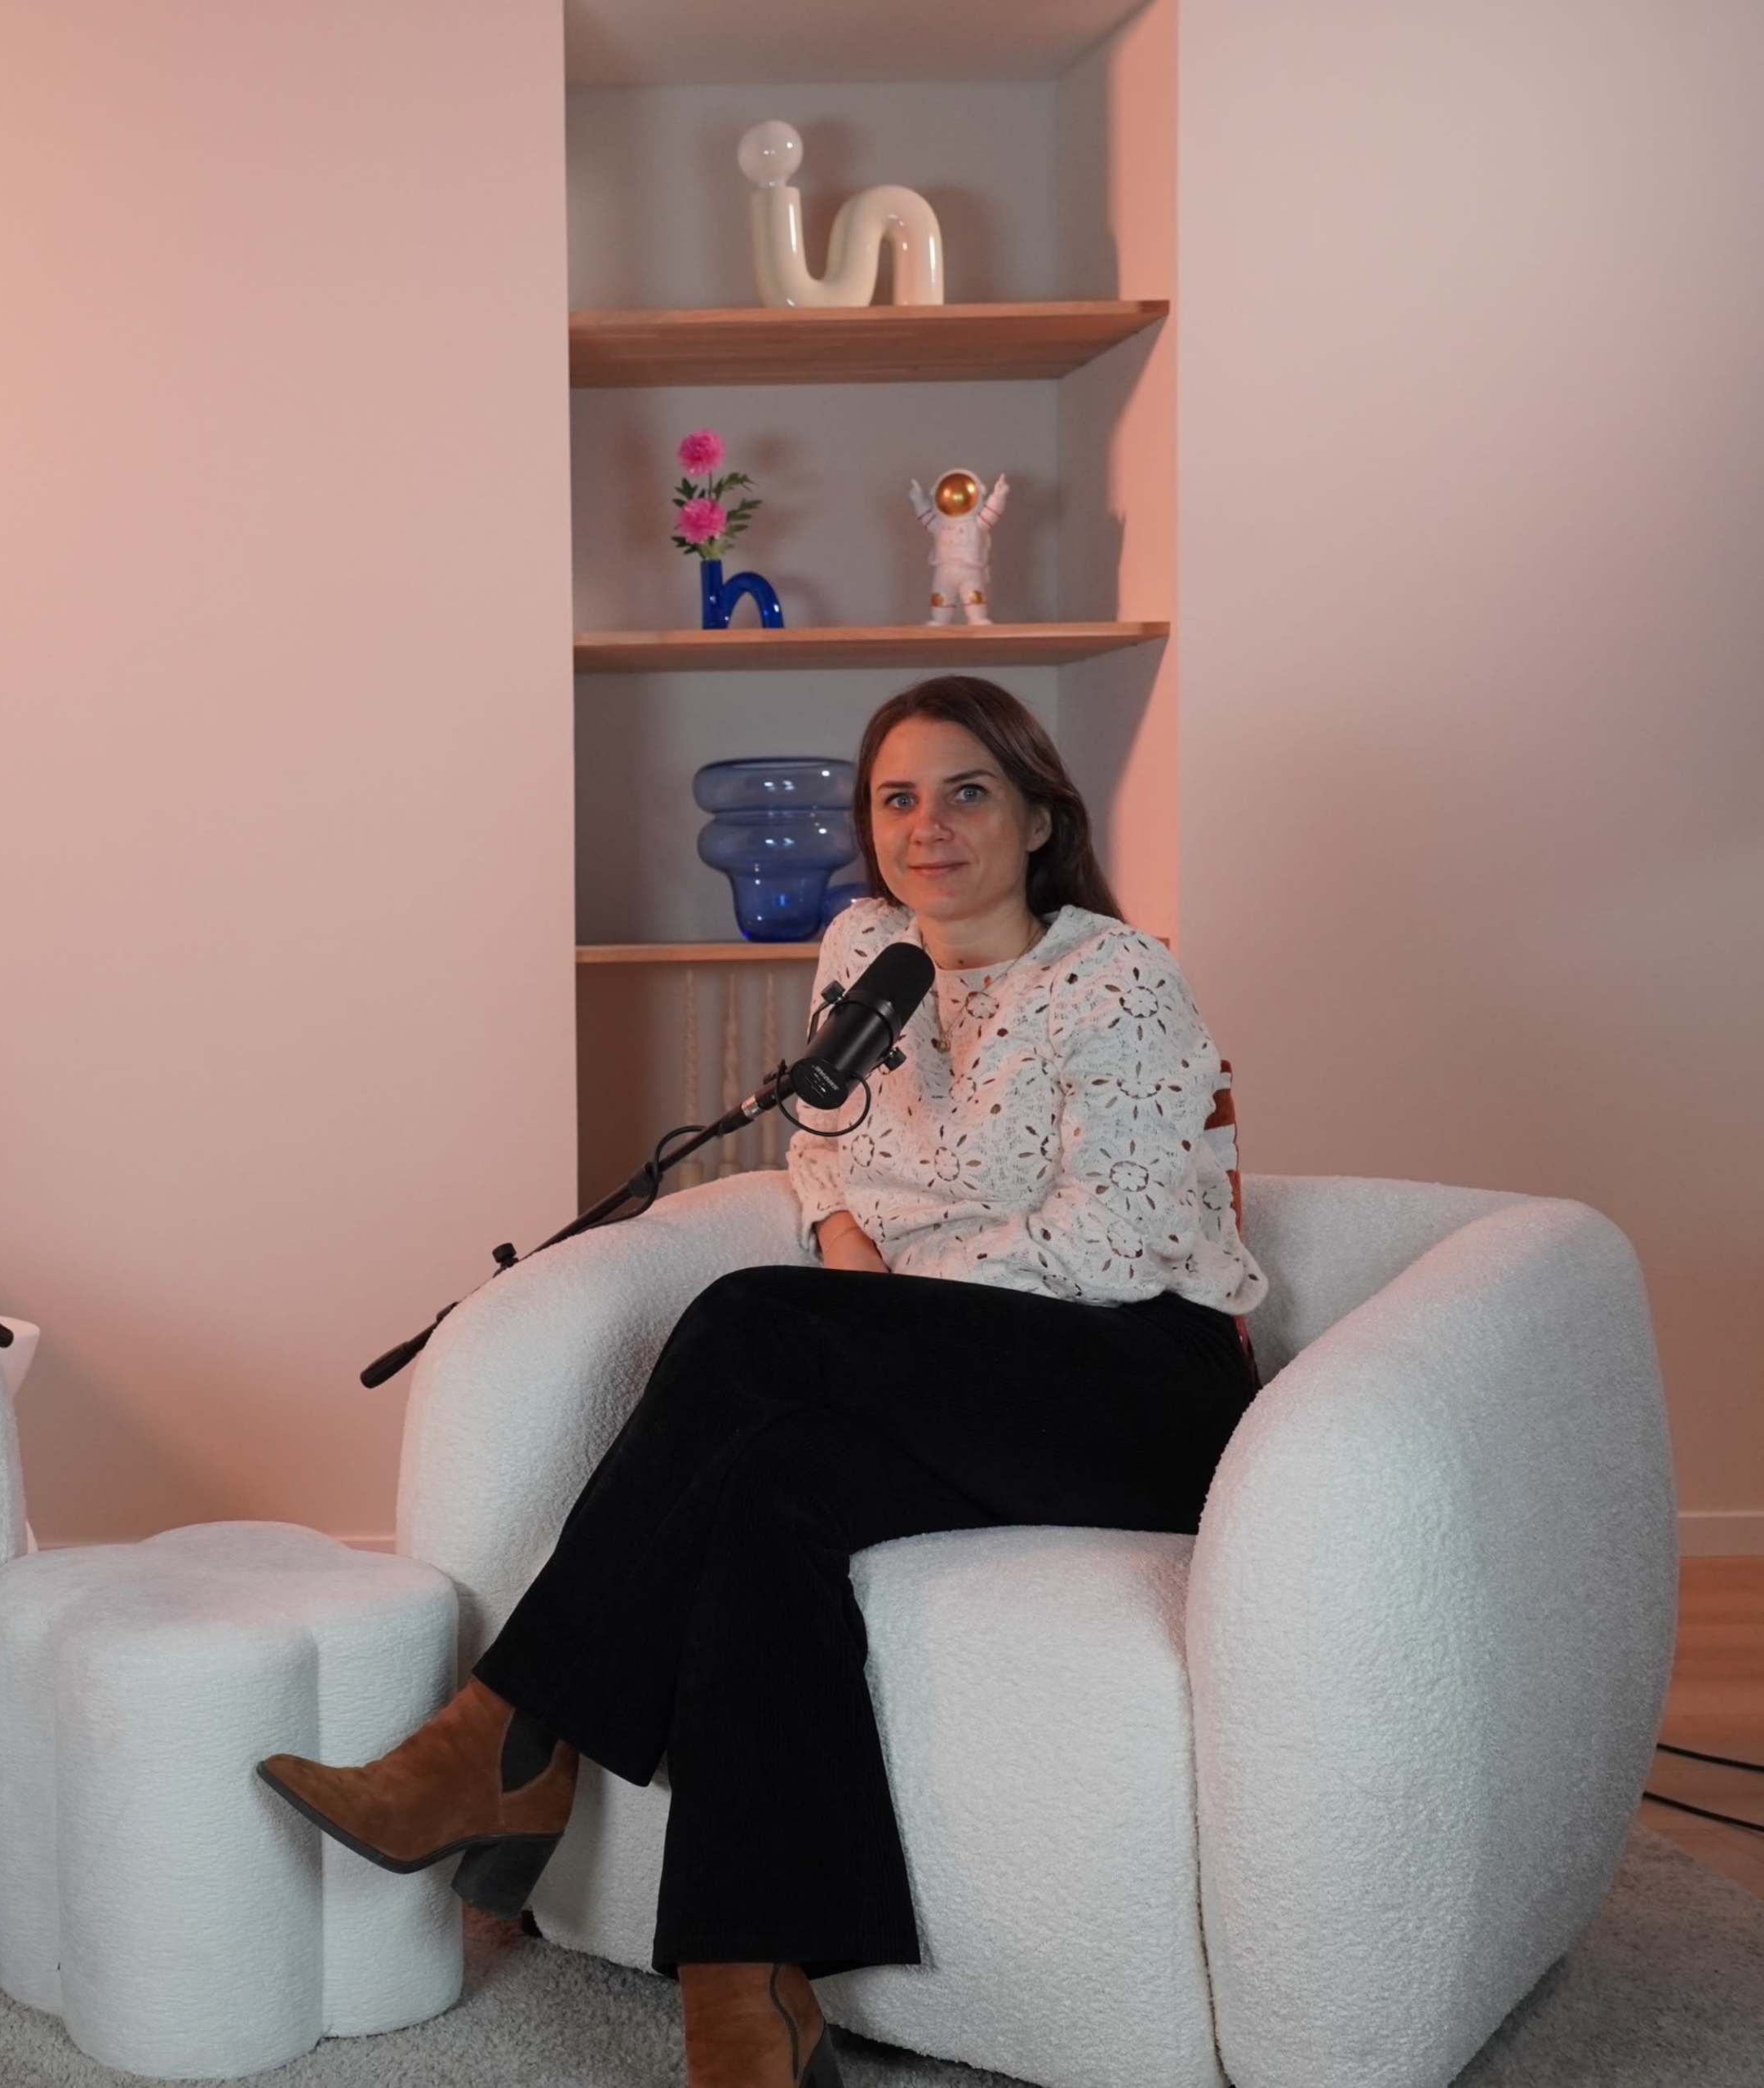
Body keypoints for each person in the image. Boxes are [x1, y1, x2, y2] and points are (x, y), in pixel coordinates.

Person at [259, 676, 1266, 2088]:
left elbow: (1127, 1234)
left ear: (1039, 818)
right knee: (763, 1494)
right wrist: (850, 1257)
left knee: (750, 1326)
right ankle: (750, 1993)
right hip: (935, 1369)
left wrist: (876, 1314)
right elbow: (821, 1146)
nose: (930, 826)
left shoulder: (1117, 978)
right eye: (899, 798)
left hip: (1134, 1387)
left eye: (969, 791)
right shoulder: (864, 949)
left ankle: (506, 1737)